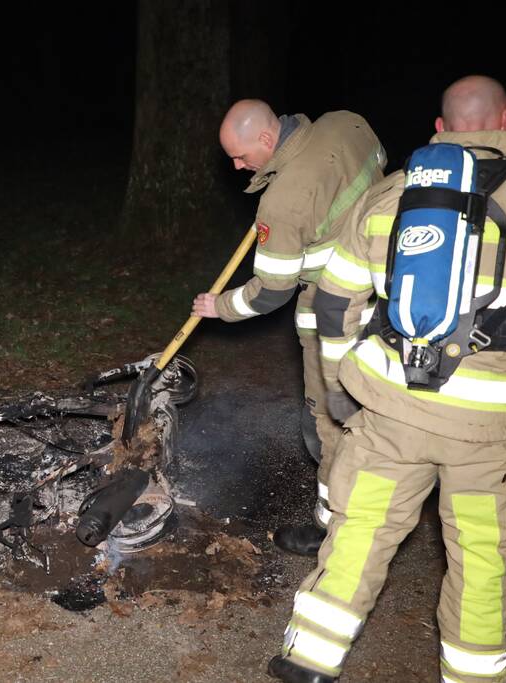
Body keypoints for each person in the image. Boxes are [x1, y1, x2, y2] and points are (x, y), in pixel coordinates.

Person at [269, 75, 506, 683]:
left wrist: (337, 386)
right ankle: (475, 674)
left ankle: (309, 659)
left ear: (440, 129)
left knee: (360, 534)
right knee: (484, 559)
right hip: (491, 429)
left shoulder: (395, 193)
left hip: (391, 410)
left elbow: (335, 302)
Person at [193, 100, 386, 555]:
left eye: (240, 157)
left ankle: (331, 527)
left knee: (328, 420)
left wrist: (219, 306)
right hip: (386, 292)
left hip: (334, 313)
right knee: (374, 405)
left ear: (265, 138)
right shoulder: (347, 121)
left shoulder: (281, 204)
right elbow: (378, 165)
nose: (238, 167)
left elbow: (272, 290)